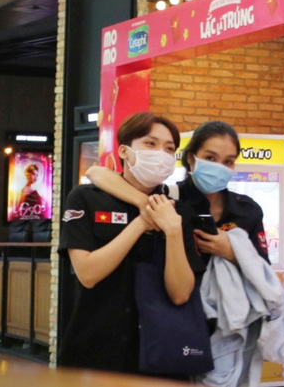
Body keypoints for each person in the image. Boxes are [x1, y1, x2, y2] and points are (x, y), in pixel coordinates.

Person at [59, 112, 204, 374]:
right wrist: (140, 223)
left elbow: (181, 293)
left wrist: (172, 231)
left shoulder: (177, 212)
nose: (161, 153)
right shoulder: (86, 198)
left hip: (160, 355)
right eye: (150, 144)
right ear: (124, 151)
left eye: (169, 148)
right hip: (95, 351)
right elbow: (88, 274)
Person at [88, 120, 270, 264]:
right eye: (210, 158)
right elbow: (96, 173)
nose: (219, 167)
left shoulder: (248, 210)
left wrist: (231, 252)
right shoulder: (169, 198)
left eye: (228, 161)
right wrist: (142, 202)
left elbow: (263, 271)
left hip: (234, 309)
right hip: (183, 307)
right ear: (191, 157)